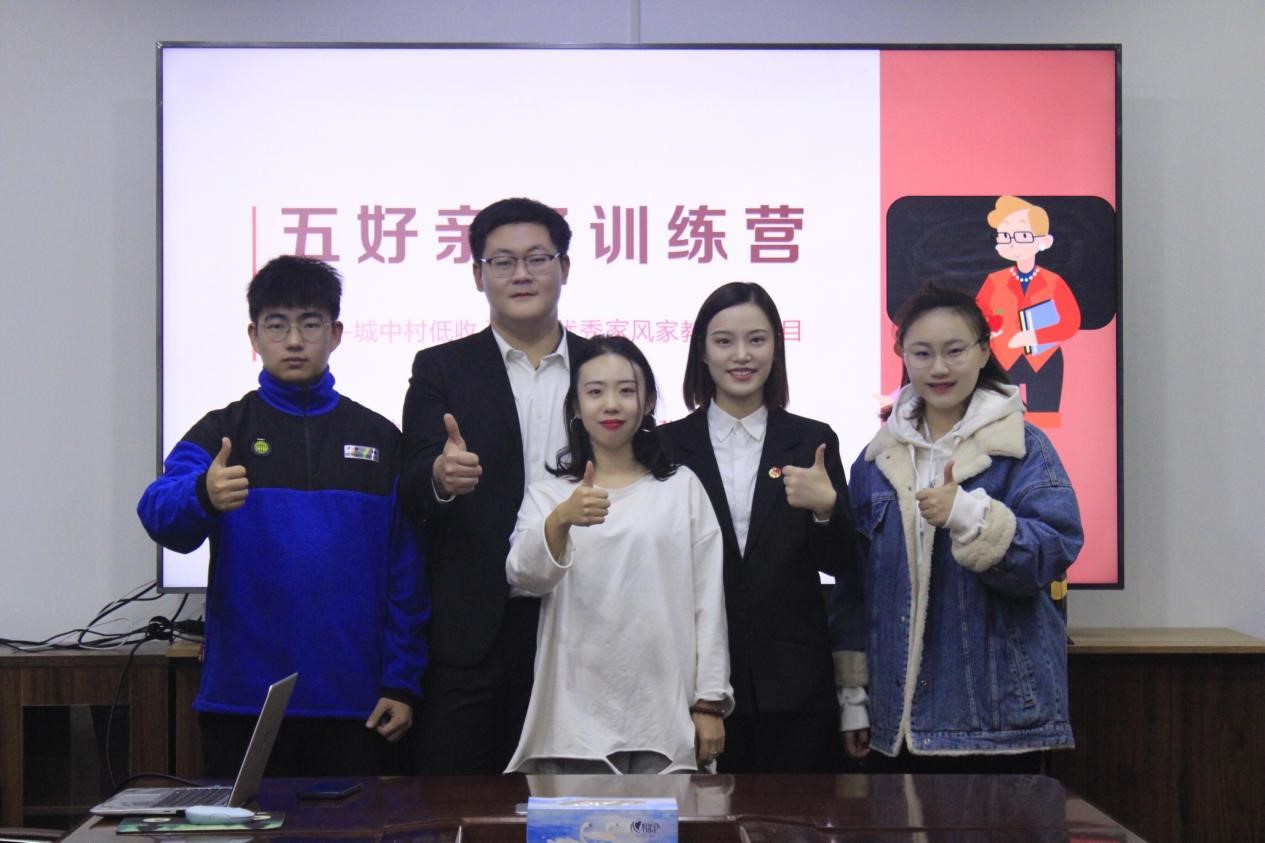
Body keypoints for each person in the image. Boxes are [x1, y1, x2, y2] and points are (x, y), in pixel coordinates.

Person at [137, 255, 428, 777]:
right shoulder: (223, 432)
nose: (294, 341)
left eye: (310, 324)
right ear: (254, 336)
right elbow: (159, 515)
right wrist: (203, 494)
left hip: (357, 706)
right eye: (277, 325)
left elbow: (406, 577)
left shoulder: (381, 439)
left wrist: (401, 683)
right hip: (242, 704)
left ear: (335, 334)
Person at [830, 282, 1083, 772]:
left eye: (955, 351)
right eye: (922, 353)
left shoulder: (1023, 447)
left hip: (999, 723)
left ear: (984, 351)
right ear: (902, 354)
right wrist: (854, 699)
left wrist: (969, 515)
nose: (939, 368)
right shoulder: (876, 460)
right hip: (897, 726)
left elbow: (1051, 552)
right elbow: (854, 589)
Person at [400, 197, 590, 773]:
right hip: (474, 628)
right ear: (478, 275)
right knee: (462, 799)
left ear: (564, 267)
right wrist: (440, 477)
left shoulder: (602, 366)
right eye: (502, 262)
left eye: (537, 258)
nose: (521, 274)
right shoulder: (441, 367)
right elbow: (411, 484)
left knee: (575, 798)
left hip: (583, 615)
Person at [504, 336, 732, 773]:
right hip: (571, 726)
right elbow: (524, 576)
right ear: (575, 405)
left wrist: (709, 702)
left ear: (648, 402)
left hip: (663, 718)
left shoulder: (681, 487)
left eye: (626, 390)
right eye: (595, 392)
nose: (611, 404)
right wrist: (560, 520)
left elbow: (708, 603)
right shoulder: (549, 495)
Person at [659, 282, 860, 773]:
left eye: (757, 339)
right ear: (702, 352)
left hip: (793, 685)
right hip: (691, 685)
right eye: (724, 341)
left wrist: (827, 510)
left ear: (776, 347)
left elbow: (843, 564)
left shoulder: (811, 440)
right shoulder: (665, 446)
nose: (741, 355)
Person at [976, 195, 1082, 427]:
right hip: (1003, 360)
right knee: (1001, 423)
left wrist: (1034, 336)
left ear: (1043, 241)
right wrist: (992, 329)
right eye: (1005, 236)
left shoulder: (1053, 282)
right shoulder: (994, 281)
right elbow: (978, 316)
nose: (1013, 243)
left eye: (1022, 235)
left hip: (1044, 360)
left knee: (1045, 420)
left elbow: (1070, 322)